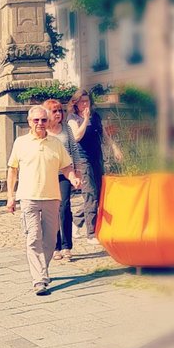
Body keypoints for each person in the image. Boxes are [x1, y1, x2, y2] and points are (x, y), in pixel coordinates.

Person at [6, 105, 82, 295]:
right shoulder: (20, 143)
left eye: (44, 120)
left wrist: (72, 177)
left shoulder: (56, 143)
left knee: (49, 240)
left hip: (52, 197)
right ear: (29, 122)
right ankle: (38, 279)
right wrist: (10, 196)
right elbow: (12, 170)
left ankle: (43, 269)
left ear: (48, 122)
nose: (40, 123)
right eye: (36, 120)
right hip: (28, 197)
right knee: (33, 238)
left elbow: (66, 166)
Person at [68, 91, 121, 243]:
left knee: (98, 194)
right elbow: (77, 136)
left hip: (97, 157)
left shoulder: (96, 117)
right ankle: (91, 233)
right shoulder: (73, 119)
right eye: (82, 101)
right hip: (83, 159)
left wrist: (115, 147)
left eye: (87, 101)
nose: (85, 104)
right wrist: (84, 120)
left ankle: (77, 220)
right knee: (90, 193)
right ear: (76, 104)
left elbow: (104, 134)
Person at [43, 96, 83, 263]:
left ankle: (67, 246)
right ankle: (55, 246)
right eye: (55, 111)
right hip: (48, 174)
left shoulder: (65, 128)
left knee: (64, 207)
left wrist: (78, 170)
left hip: (65, 174)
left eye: (60, 110)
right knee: (52, 210)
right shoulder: (43, 130)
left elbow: (74, 148)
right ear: (47, 113)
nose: (58, 114)